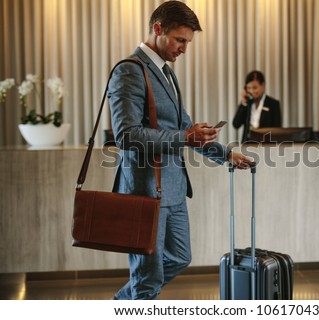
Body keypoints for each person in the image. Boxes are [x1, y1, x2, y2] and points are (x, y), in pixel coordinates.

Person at [107, 1, 253, 300]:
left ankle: (120, 305)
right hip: (145, 190)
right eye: (180, 40)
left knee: (179, 258)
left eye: (188, 42)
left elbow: (185, 129)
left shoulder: (167, 73)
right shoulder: (130, 71)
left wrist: (225, 153)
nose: (184, 49)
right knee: (148, 277)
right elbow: (126, 135)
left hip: (172, 189)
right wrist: (185, 136)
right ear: (158, 29)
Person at [232, 71, 282, 143]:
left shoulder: (273, 104)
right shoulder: (247, 103)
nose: (252, 91)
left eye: (255, 88)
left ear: (262, 85)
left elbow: (277, 130)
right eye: (249, 88)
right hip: (247, 144)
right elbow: (236, 124)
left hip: (266, 145)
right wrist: (243, 103)